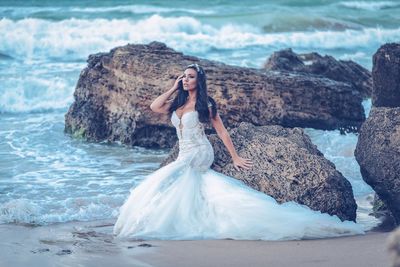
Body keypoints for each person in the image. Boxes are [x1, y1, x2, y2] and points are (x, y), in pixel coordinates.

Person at [113, 63, 364, 240]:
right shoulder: (177, 101)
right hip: (184, 153)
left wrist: (234, 157)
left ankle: (151, 221)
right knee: (175, 181)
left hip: (200, 152)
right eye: (184, 76)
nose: (186, 80)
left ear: (199, 80)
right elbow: (154, 106)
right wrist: (173, 87)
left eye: (189, 77)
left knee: (165, 179)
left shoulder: (206, 105)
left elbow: (222, 132)